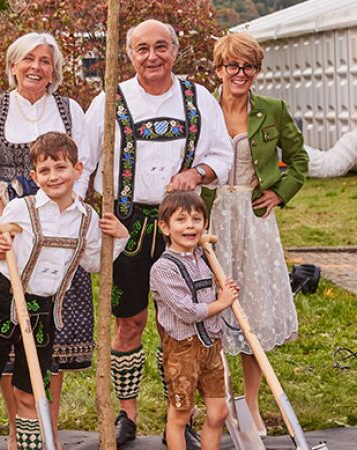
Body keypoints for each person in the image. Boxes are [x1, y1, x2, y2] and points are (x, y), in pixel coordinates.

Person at [86, 19, 233, 448]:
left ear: (175, 50)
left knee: (182, 324)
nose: (153, 57)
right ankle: (126, 415)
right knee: (129, 321)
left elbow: (222, 155)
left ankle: (179, 414)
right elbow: (85, 161)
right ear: (129, 55)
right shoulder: (110, 101)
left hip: (183, 229)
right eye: (142, 49)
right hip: (127, 225)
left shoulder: (197, 98)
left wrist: (197, 171)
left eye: (161, 47)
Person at [0, 32, 94, 447]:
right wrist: (15, 222)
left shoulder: (70, 110)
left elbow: (82, 173)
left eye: (45, 60)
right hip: (8, 227)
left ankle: (39, 431)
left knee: (48, 335)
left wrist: (60, 218)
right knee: (2, 333)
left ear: (54, 69)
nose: (37, 67)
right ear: (13, 65)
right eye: (28, 59)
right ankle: (15, 431)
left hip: (61, 235)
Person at [0, 132, 128, 449]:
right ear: (34, 176)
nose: (53, 177)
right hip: (4, 303)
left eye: (60, 168)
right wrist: (1, 245)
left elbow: (93, 263)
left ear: (78, 170)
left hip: (44, 311)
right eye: (45, 171)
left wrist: (120, 236)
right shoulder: (23, 207)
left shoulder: (86, 219)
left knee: (29, 393)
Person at [210, 32, 308, 436]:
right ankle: (218, 402)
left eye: (248, 66)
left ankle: (249, 405)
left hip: (253, 219)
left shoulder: (272, 110)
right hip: (210, 218)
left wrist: (279, 193)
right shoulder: (204, 109)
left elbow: (298, 158)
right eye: (232, 65)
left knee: (251, 308)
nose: (240, 73)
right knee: (212, 306)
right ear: (218, 69)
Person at [150, 191, 239, 450]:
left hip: (211, 345)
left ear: (205, 223)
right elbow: (186, 311)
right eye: (181, 220)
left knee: (218, 413)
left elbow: (210, 296)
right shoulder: (163, 268)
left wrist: (225, 291)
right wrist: (221, 303)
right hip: (182, 349)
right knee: (181, 414)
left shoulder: (204, 258)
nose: (190, 225)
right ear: (165, 227)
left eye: (196, 219)